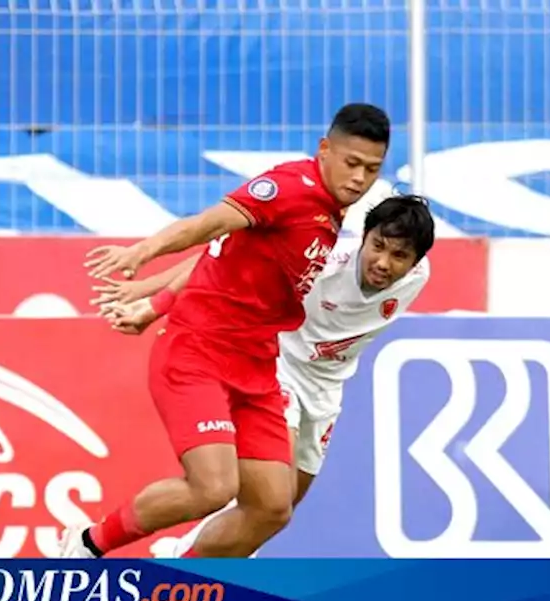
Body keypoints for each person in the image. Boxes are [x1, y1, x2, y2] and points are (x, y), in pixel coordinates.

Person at [58, 103, 392, 559]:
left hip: (256, 366)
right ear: (324, 150)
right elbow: (208, 225)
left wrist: (153, 299)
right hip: (198, 352)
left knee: (273, 507)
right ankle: (87, 544)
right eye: (352, 163)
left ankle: (180, 582)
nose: (359, 178)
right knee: (212, 487)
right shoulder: (288, 189)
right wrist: (145, 251)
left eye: (371, 169)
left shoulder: (336, 216)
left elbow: (219, 251)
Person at [95, 195, 435, 557]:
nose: (382, 263)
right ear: (364, 237)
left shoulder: (419, 276)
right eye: (377, 247)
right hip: (279, 363)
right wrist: (152, 298)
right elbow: (220, 258)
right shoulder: (324, 259)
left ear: (415, 262)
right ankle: (179, 560)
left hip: (326, 387)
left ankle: (189, 561)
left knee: (279, 509)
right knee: (271, 496)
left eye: (398, 257)